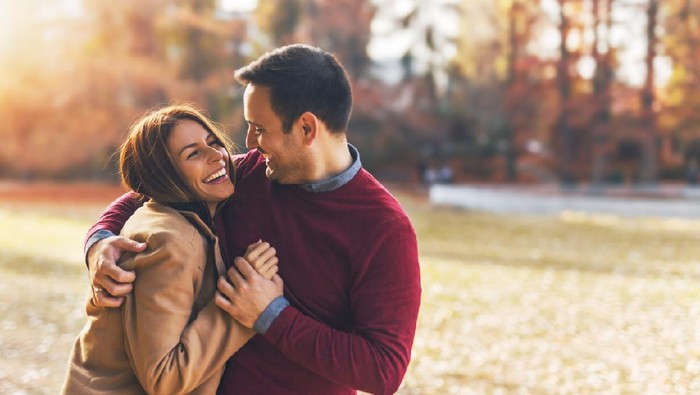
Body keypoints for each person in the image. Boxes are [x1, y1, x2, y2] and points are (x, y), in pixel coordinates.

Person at [85, 44, 421, 394]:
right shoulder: (248, 175)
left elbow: (384, 370)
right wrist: (100, 243)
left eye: (259, 128)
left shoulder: (384, 229)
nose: (248, 143)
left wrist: (270, 314)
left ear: (306, 128)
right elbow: (151, 191)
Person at [62, 105, 281, 394]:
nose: (217, 155)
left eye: (213, 142)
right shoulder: (168, 243)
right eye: (193, 153)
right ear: (162, 176)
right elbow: (163, 378)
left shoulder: (183, 221)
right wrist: (242, 307)